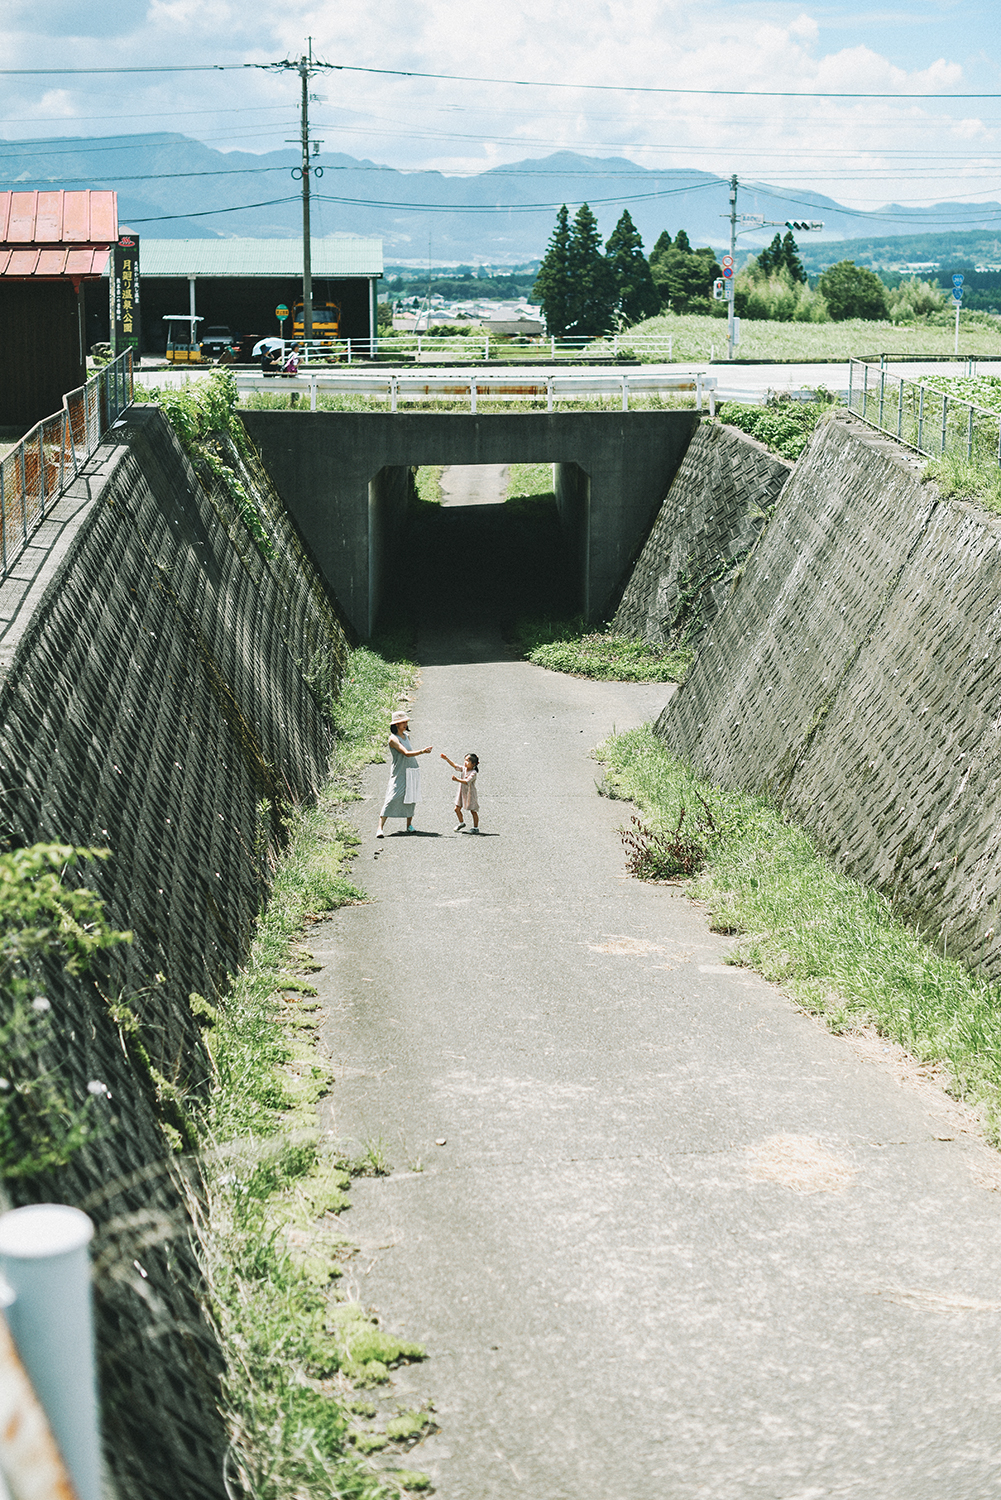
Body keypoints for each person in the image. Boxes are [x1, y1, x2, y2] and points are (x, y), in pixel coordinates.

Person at [377, 710, 432, 836]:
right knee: (392, 796)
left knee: (411, 797)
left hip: (411, 768)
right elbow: (405, 753)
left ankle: (409, 825)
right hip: (399, 770)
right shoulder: (393, 739)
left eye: (406, 722)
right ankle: (380, 827)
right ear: (396, 724)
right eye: (403, 722)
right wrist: (422, 751)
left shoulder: (406, 736)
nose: (405, 724)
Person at [441, 751, 480, 832]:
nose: (465, 762)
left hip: (470, 794)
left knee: (473, 811)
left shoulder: (473, 772)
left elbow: (467, 781)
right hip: (461, 793)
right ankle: (461, 823)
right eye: (465, 760)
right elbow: (455, 765)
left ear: (474, 764)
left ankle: (475, 827)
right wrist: (446, 759)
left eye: (468, 761)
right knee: (457, 809)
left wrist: (457, 779)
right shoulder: (464, 769)